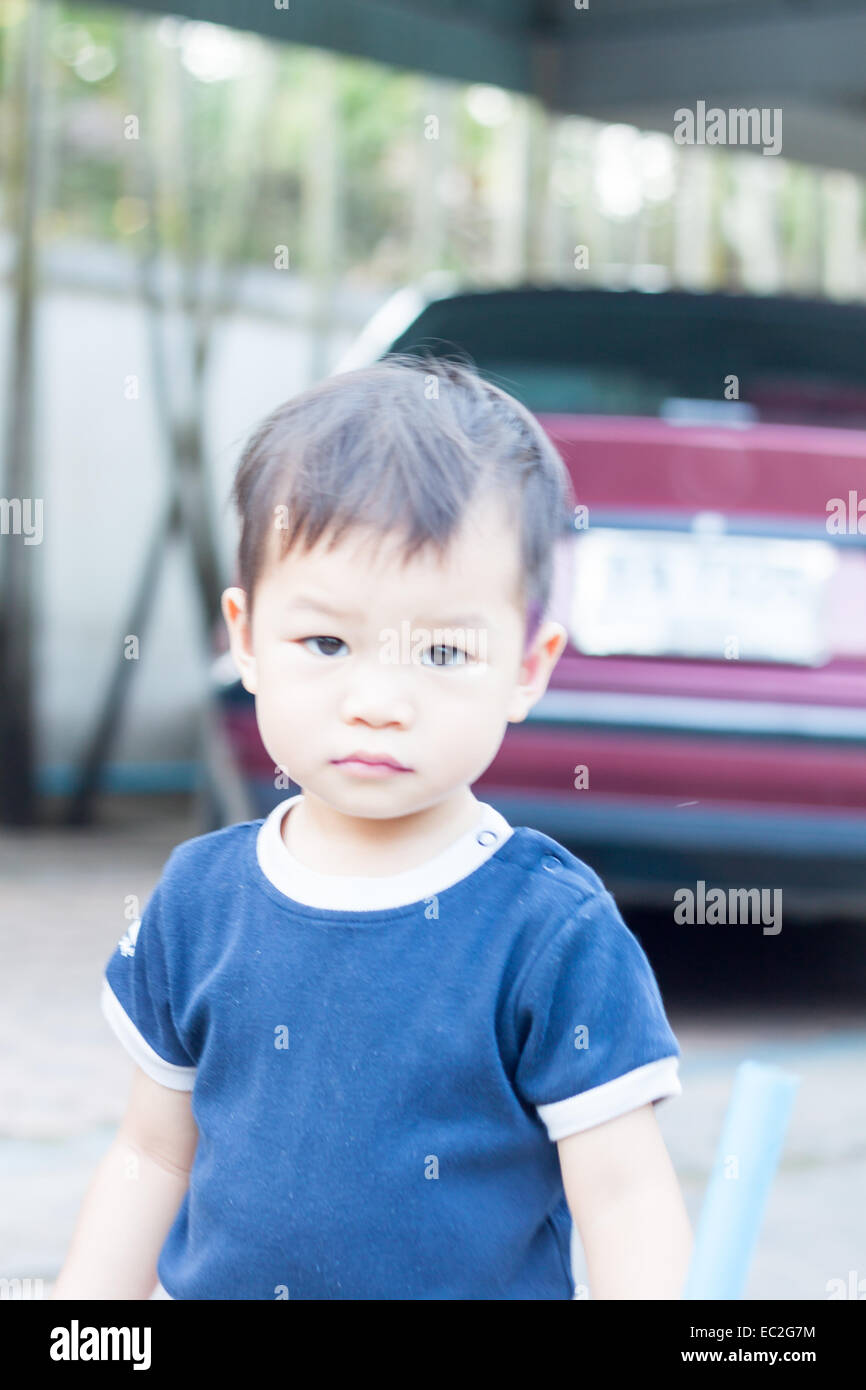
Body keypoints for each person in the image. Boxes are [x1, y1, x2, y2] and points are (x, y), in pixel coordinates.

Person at [52, 353, 691, 1301]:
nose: (379, 701)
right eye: (326, 642)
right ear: (247, 635)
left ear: (528, 663)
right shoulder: (199, 901)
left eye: (441, 650)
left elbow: (627, 1195)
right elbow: (152, 1155)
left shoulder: (548, 930)